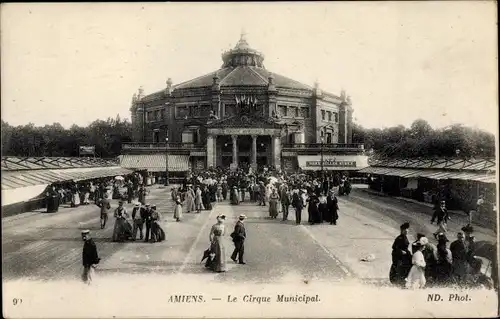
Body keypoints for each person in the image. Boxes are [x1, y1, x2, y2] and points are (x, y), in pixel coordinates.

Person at [389, 222, 412, 287]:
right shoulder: (399, 238)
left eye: (407, 229)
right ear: (402, 230)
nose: (407, 231)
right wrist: (401, 251)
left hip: (405, 257)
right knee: (400, 270)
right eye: (405, 230)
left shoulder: (405, 237)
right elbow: (394, 247)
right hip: (400, 257)